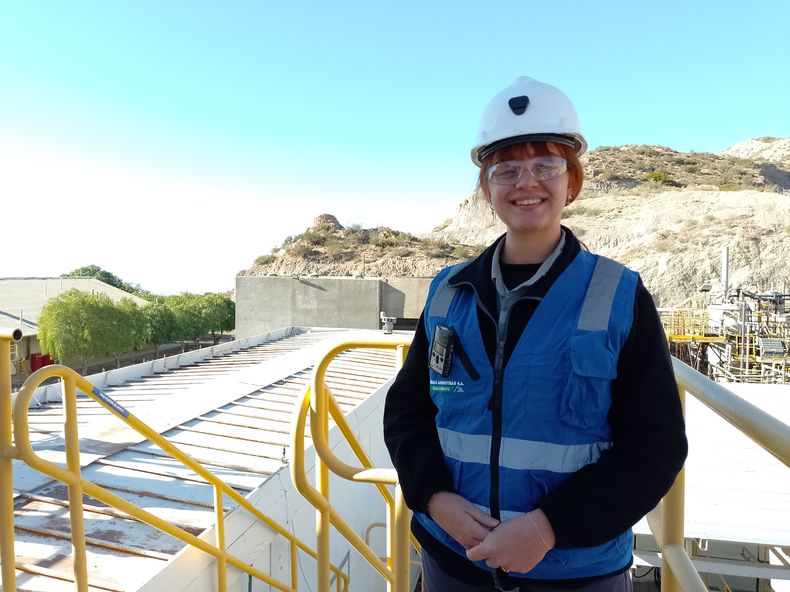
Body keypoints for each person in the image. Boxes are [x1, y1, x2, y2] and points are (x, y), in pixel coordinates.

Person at [383, 76, 688, 592]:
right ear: (487, 190)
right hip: (451, 561)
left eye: (546, 166)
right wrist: (434, 497)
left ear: (572, 181)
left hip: (576, 573)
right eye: (507, 170)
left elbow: (655, 447)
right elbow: (409, 411)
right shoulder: (446, 292)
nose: (527, 183)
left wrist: (548, 528)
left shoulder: (619, 295)